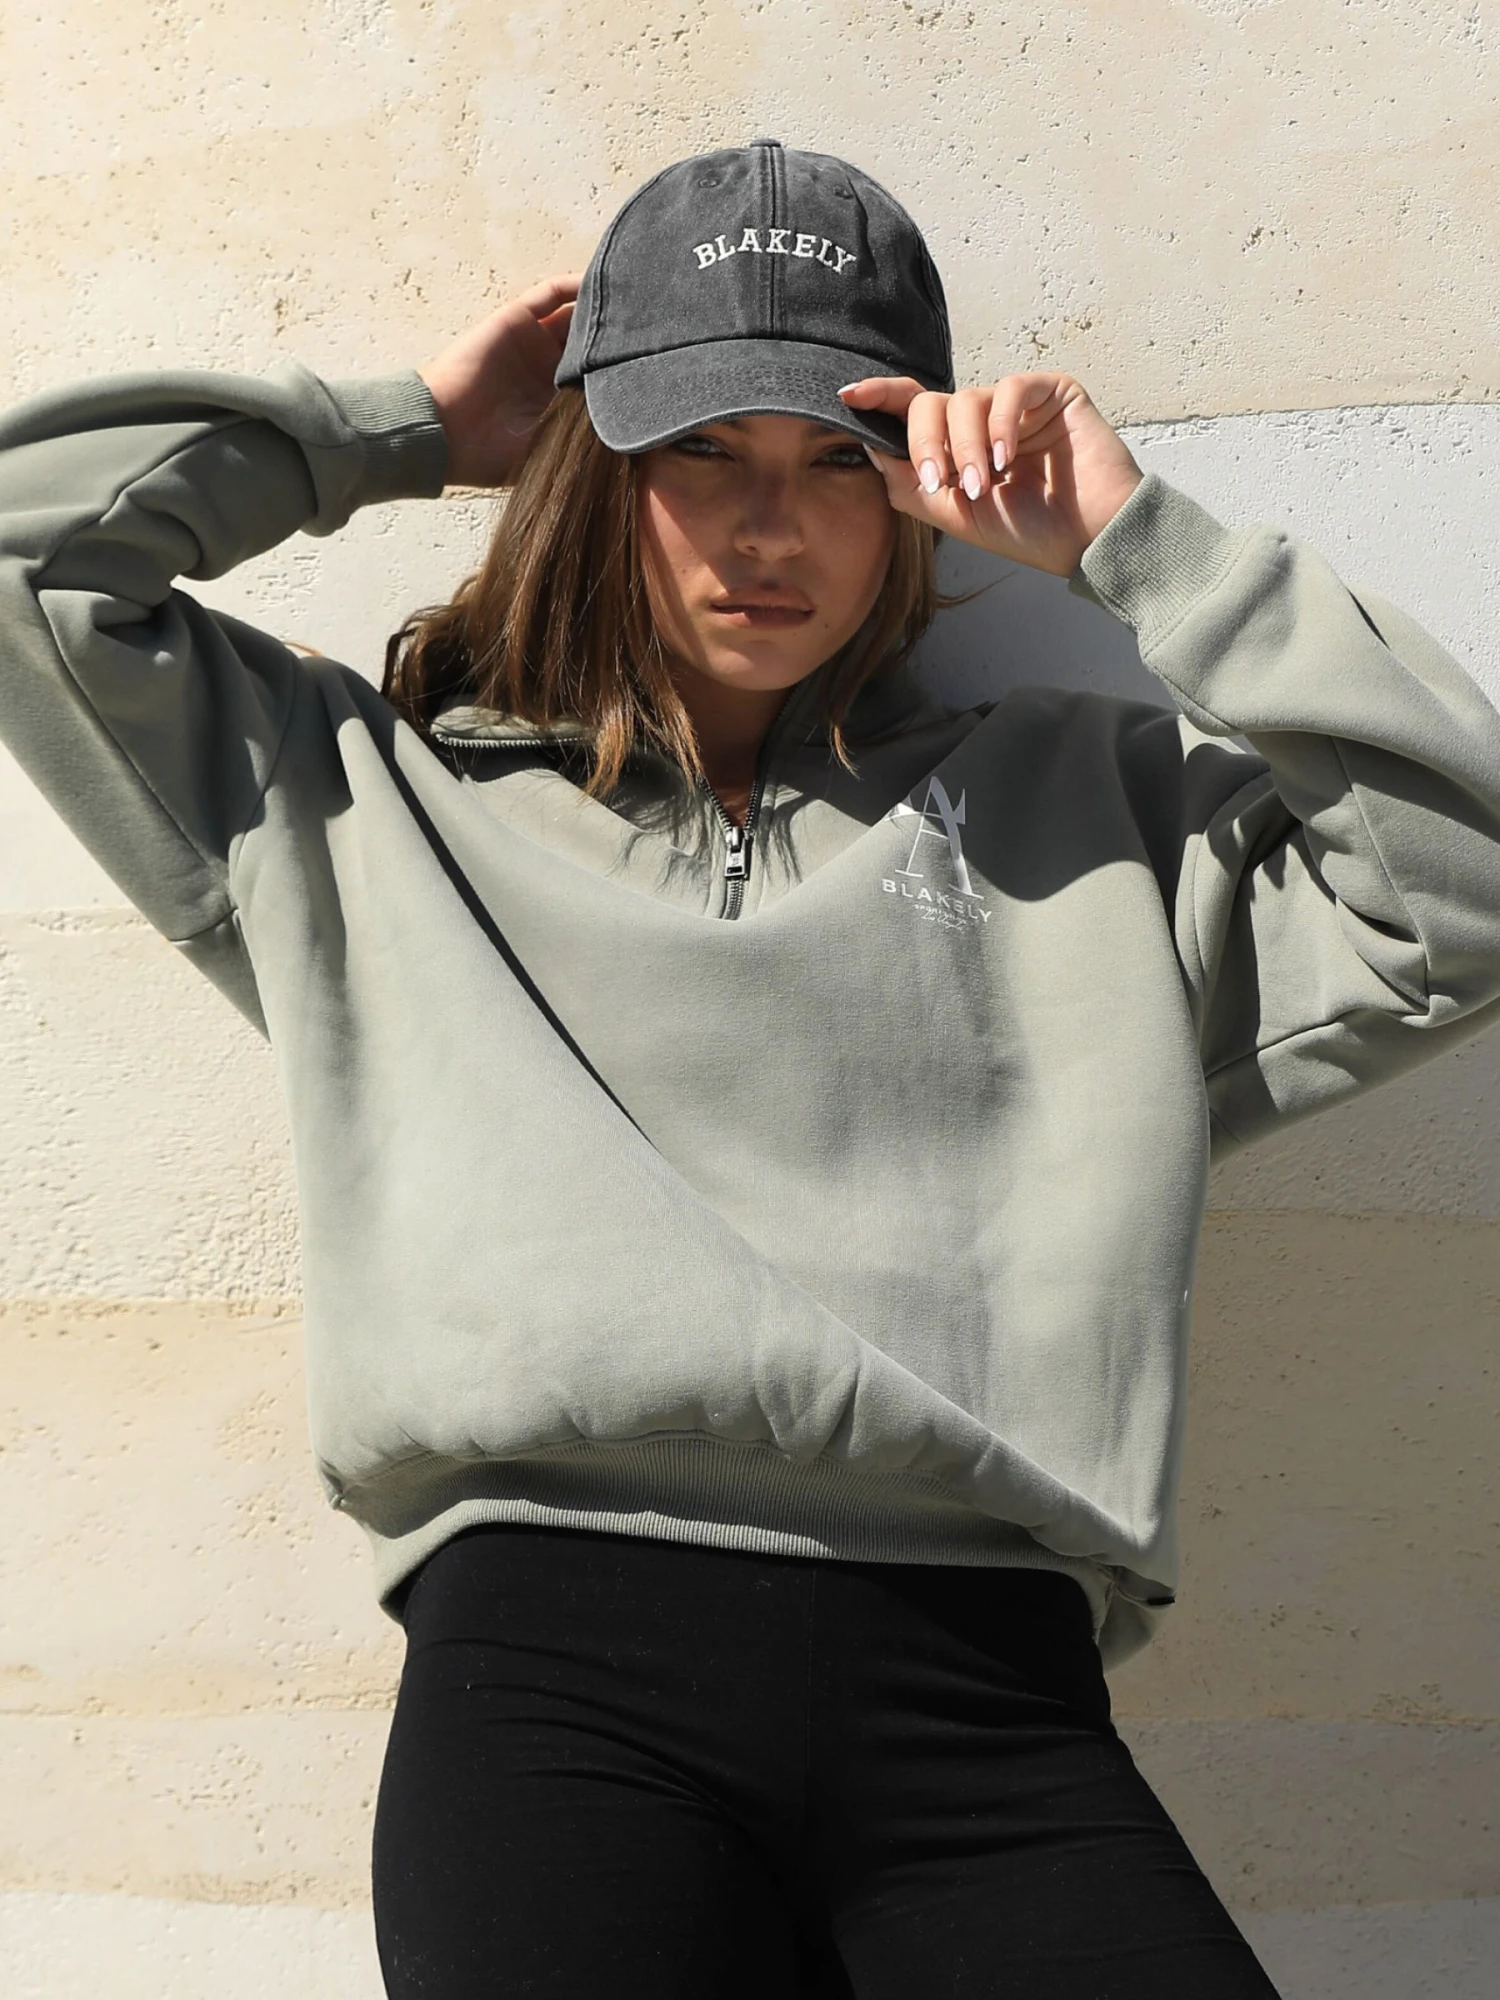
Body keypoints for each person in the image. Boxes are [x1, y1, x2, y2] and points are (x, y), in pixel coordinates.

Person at [2, 137, 1498, 1999]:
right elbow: (30, 552)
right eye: (698, 450)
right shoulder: (358, 804)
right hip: (553, 1689)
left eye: (838, 461)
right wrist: (400, 432)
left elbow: (1465, 885)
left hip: (991, 1698)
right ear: (593, 468)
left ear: (916, 488)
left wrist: (1139, 544)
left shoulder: (1086, 815)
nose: (767, 528)